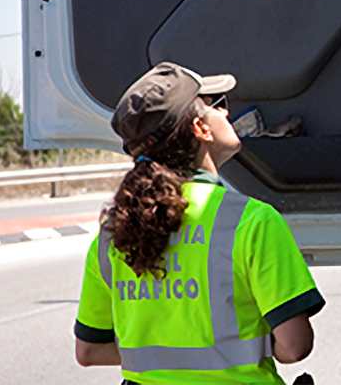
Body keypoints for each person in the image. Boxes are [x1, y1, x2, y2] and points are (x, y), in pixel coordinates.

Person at [73, 62, 324, 384]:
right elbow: (295, 346)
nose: (227, 114)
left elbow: (89, 351)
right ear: (201, 128)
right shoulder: (251, 220)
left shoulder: (113, 235)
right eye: (218, 107)